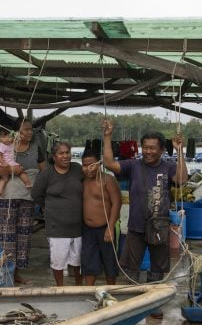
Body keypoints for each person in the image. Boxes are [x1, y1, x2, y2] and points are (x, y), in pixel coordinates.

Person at [101, 118, 187, 283]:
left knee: (157, 271)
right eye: (145, 147)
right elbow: (109, 163)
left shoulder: (168, 167)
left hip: (159, 227)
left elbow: (182, 180)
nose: (148, 151)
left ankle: (153, 304)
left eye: (152, 148)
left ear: (162, 149)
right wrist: (107, 137)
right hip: (136, 226)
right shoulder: (133, 165)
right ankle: (131, 300)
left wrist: (180, 152)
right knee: (130, 270)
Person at [0, 118, 45, 285]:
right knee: (7, 237)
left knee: (23, 237)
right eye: (26, 129)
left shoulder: (36, 148)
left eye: (31, 130)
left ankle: (16, 274)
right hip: (7, 198)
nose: (30, 132)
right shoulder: (6, 147)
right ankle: (6, 274)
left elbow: (46, 172)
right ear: (16, 131)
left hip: (27, 198)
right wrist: (10, 169)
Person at [32, 142, 84, 286]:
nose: (65, 156)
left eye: (67, 152)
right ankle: (60, 287)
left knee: (78, 260)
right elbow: (36, 194)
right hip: (56, 227)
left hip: (78, 225)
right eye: (61, 153)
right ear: (54, 157)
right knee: (58, 261)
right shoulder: (47, 174)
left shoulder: (77, 169)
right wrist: (47, 207)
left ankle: (78, 287)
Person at [80, 151, 122, 286]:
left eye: (92, 164)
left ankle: (111, 290)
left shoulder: (108, 180)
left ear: (99, 164)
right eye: (85, 165)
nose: (88, 168)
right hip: (88, 229)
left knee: (110, 263)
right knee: (88, 262)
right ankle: (89, 291)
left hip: (106, 227)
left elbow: (117, 203)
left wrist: (110, 227)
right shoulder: (83, 181)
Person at [0, 128, 33, 195]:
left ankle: (27, 183)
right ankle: (0, 190)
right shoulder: (2, 145)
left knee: (16, 172)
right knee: (8, 176)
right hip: (4, 163)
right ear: (0, 138)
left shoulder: (11, 143)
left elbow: (18, 141)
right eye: (4, 137)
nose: (8, 139)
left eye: (10, 137)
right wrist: (3, 163)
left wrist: (19, 136)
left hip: (10, 162)